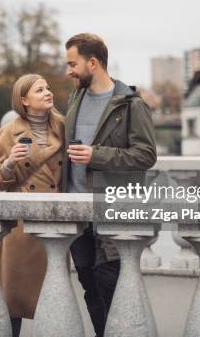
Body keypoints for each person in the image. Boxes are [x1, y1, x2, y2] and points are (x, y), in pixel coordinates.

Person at [63, 33, 157, 337]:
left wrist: (95, 155)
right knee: (89, 286)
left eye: (72, 64)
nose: (68, 71)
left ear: (93, 62)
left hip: (112, 211)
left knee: (110, 284)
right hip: (77, 212)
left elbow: (146, 155)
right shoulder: (75, 98)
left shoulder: (132, 104)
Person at [0, 74, 65, 337]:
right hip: (21, 227)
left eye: (48, 87)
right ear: (24, 100)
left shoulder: (63, 127)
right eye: (40, 90)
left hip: (54, 224)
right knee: (13, 300)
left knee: (54, 299)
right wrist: (10, 162)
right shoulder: (9, 132)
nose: (48, 92)